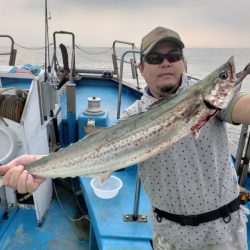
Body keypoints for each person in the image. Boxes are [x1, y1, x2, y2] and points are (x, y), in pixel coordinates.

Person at [1, 26, 250, 250]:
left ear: (183, 62)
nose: (165, 62)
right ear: (141, 69)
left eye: (173, 55)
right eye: (155, 57)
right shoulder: (133, 115)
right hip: (170, 237)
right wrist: (40, 167)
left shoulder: (211, 103)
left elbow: (243, 107)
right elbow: (97, 152)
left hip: (223, 233)